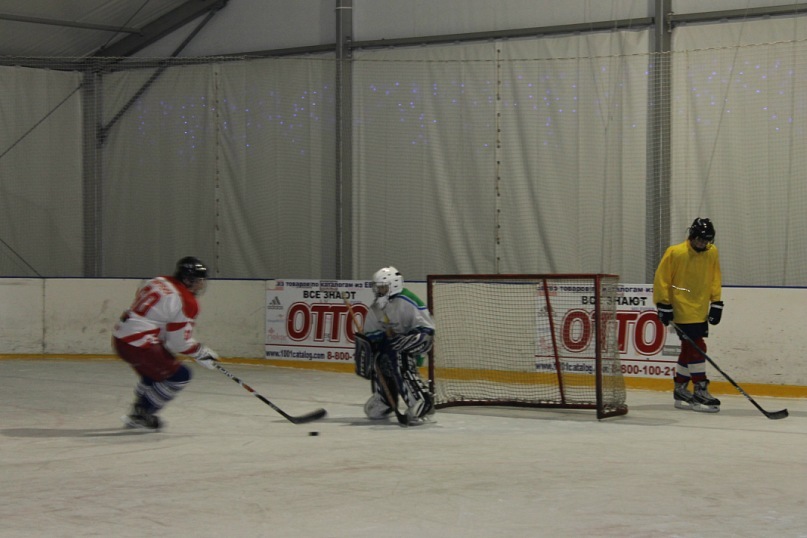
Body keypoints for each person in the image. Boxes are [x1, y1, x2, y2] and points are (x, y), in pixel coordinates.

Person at [113, 256, 220, 430]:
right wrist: (199, 352)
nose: (201, 285)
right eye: (199, 280)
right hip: (139, 344)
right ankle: (142, 415)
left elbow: (153, 314)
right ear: (187, 280)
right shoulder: (186, 301)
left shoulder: (158, 280)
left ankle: (139, 409)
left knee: (154, 374)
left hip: (120, 338)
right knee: (180, 376)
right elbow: (179, 343)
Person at [653, 218, 724, 412]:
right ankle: (700, 388)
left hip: (700, 309)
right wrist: (663, 303)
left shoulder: (712, 252)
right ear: (692, 236)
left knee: (688, 348)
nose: (703, 244)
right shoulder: (676, 252)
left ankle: (681, 389)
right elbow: (662, 278)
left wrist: (716, 302)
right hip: (681, 308)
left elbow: (715, 277)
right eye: (700, 239)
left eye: (707, 240)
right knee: (698, 346)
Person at [354, 266, 436, 424]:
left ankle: (421, 400)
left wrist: (404, 341)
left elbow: (427, 329)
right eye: (378, 287)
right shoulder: (377, 306)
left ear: (394, 285)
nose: (379, 290)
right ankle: (386, 399)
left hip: (420, 338)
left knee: (398, 354)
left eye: (383, 287)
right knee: (381, 357)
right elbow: (373, 335)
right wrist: (373, 348)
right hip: (396, 342)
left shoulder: (407, 300)